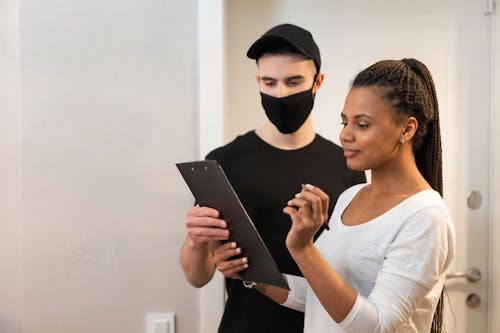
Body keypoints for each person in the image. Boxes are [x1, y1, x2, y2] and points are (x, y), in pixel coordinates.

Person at [220, 58, 456, 332]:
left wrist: (304, 249)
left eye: (362, 124)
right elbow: (321, 297)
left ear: (407, 128)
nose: (345, 135)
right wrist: (254, 275)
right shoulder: (351, 196)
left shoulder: (425, 216)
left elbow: (379, 325)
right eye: (344, 122)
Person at [179, 23, 366, 332]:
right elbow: (197, 276)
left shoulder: (346, 164)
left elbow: (358, 268)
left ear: (318, 82)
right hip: (245, 324)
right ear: (258, 81)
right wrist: (197, 241)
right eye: (269, 82)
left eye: (294, 82)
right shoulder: (223, 161)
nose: (280, 94)